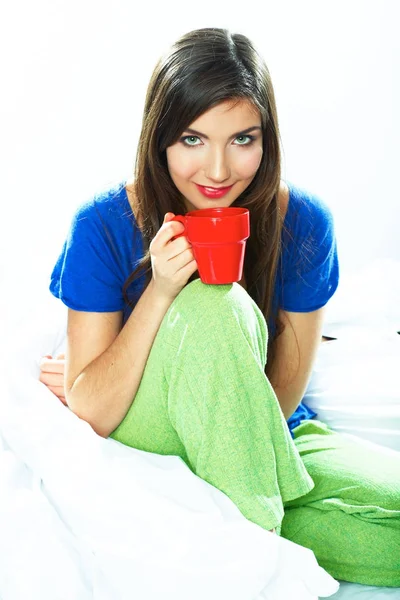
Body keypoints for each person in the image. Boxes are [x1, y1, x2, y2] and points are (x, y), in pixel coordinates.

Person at [39, 28, 400, 586]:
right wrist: (160, 292)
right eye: (191, 139)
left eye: (242, 139)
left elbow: (280, 398)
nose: (217, 170)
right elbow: (92, 410)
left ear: (267, 139)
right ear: (159, 138)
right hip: (153, 435)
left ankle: (244, 522)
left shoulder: (302, 224)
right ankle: (249, 558)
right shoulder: (102, 224)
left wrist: (236, 459)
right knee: (213, 300)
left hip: (269, 437)